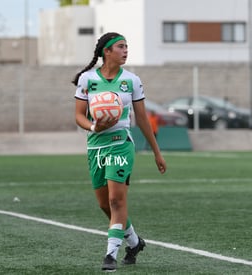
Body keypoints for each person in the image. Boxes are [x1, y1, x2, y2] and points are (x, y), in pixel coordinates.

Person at [73, 32, 167, 271]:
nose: (126, 51)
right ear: (107, 51)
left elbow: (143, 119)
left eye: (127, 46)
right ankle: (134, 243)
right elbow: (78, 116)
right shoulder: (87, 79)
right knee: (105, 204)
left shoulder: (132, 80)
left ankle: (110, 256)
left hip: (121, 144)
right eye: (121, 47)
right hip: (96, 146)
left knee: (117, 200)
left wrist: (157, 152)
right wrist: (94, 126)